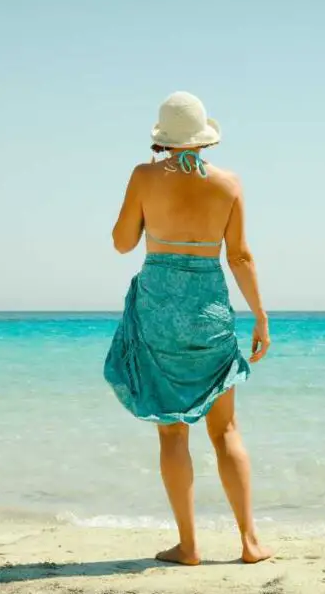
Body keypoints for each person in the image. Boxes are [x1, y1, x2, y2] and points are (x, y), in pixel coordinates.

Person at [104, 91, 272, 566]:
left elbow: (122, 244)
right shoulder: (229, 184)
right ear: (204, 139)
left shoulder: (143, 175)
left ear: (162, 140)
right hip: (209, 311)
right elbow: (239, 256)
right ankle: (250, 543)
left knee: (173, 435)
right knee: (227, 431)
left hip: (159, 311)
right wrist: (260, 316)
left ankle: (189, 546)